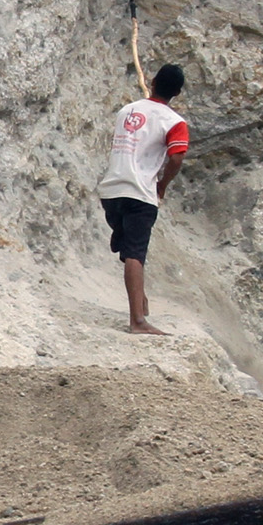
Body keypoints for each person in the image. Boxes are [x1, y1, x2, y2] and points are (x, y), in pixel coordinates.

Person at [97, 63, 190, 336]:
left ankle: (141, 298)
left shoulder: (126, 111)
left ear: (151, 81)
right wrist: (162, 184)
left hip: (112, 191)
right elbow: (177, 157)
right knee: (135, 254)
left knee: (129, 246)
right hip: (140, 193)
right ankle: (138, 321)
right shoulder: (174, 122)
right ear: (178, 93)